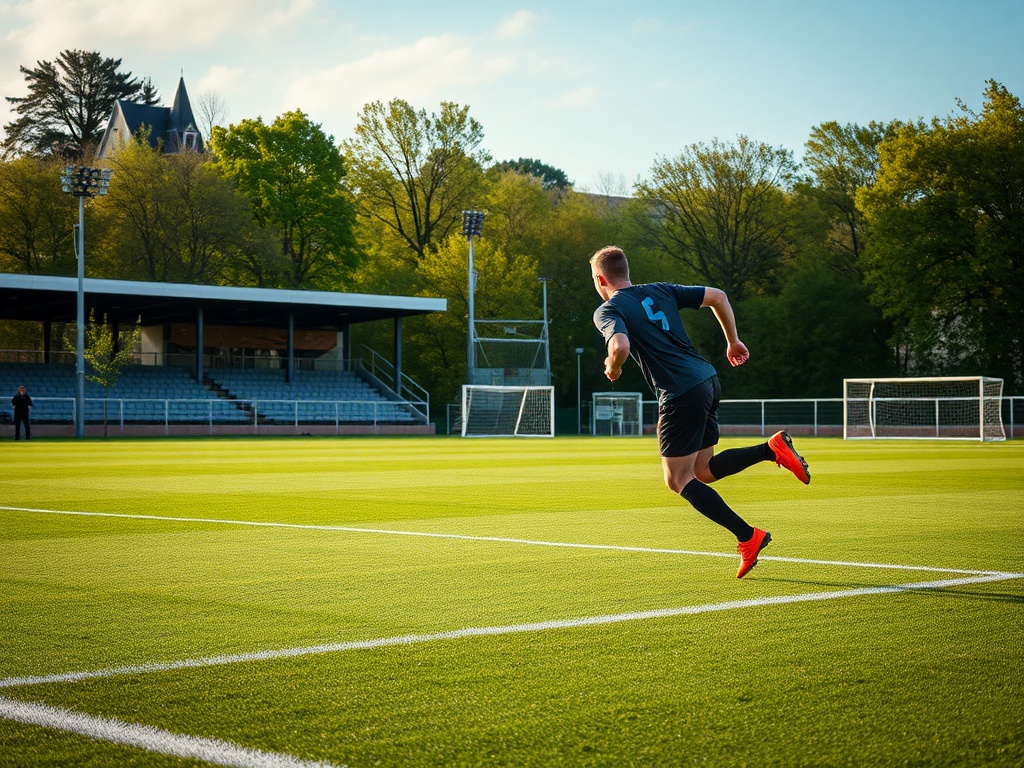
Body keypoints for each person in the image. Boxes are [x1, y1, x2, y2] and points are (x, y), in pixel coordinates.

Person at [590, 246, 809, 578]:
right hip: (707, 379)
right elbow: (718, 296)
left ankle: (748, 536)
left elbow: (620, 346)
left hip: (680, 393)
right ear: (626, 270)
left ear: (600, 278)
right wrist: (732, 341)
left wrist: (613, 367)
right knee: (703, 470)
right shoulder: (661, 290)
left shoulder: (608, 309)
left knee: (677, 479)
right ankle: (771, 449)